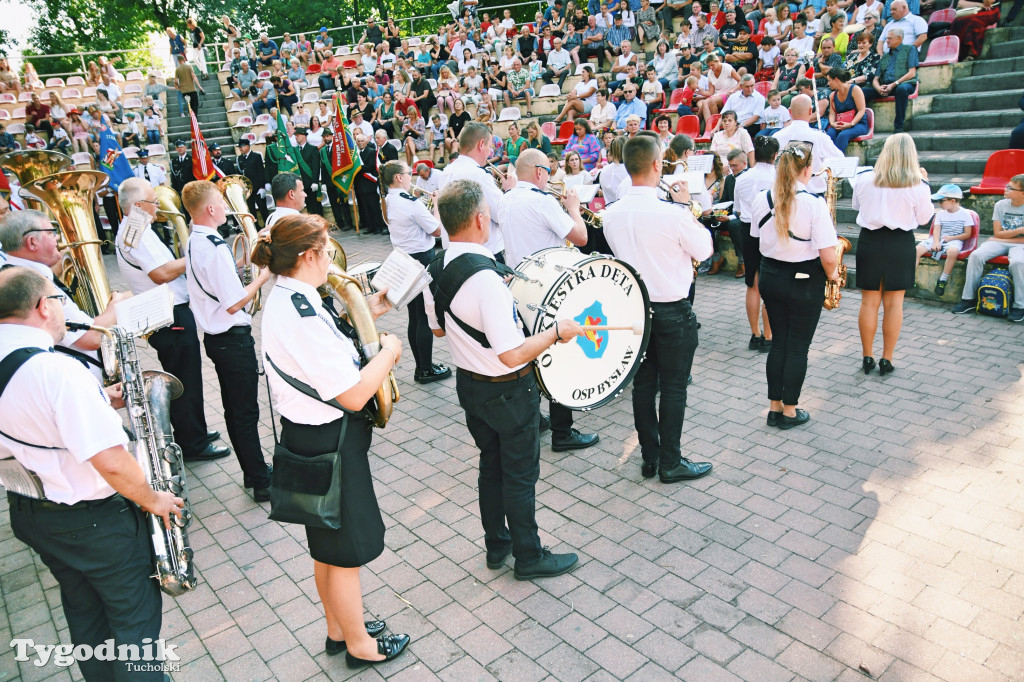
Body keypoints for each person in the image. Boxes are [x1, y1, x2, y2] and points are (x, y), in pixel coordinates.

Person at [0, 266, 183, 682]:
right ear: (43, 307)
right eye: (60, 300)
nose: (64, 309)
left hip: (33, 512)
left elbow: (25, 415)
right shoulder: (58, 371)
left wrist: (98, 399)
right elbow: (112, 461)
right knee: (136, 634)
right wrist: (153, 500)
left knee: (86, 619)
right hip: (95, 520)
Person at [252, 213, 411, 668]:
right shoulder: (298, 309)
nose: (331, 259)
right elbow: (354, 392)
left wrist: (366, 316)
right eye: (326, 250)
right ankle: (360, 646)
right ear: (307, 256)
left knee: (326, 546)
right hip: (330, 438)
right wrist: (389, 352)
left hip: (312, 436)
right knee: (344, 553)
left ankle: (340, 629)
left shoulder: (292, 297)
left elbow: (326, 349)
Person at [425, 178, 583, 579]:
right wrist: (555, 333)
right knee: (519, 474)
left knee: (490, 466)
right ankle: (529, 556)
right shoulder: (485, 279)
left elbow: (439, 330)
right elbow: (512, 355)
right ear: (480, 219)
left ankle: (498, 545)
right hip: (508, 391)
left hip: (470, 386)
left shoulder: (435, 267)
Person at [602, 135, 715, 483]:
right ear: (655, 165)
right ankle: (670, 461)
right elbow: (705, 250)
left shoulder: (611, 212)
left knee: (643, 386)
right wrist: (684, 206)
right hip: (671, 310)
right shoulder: (672, 212)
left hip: (634, 309)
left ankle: (650, 457)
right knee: (675, 387)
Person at [114, 178, 229, 462]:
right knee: (185, 379)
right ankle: (193, 444)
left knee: (188, 376)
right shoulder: (135, 230)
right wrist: (194, 254)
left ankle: (194, 432)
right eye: (154, 202)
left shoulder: (138, 228)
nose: (158, 207)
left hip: (170, 312)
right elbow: (161, 273)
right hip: (169, 315)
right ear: (138, 206)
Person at [182, 180, 273, 500]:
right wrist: (264, 274)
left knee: (236, 411)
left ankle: (254, 472)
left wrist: (245, 260)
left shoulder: (195, 239)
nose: (225, 206)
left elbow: (217, 280)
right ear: (210, 209)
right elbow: (235, 302)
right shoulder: (215, 247)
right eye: (221, 201)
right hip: (232, 339)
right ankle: (261, 480)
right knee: (245, 412)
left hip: (218, 339)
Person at [749, 141, 839, 429]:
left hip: (771, 276)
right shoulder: (814, 203)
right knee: (798, 347)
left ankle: (774, 407)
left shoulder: (761, 198)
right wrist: (835, 276)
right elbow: (827, 255)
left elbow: (756, 238)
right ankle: (790, 411)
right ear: (808, 170)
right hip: (804, 280)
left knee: (778, 344)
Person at [0, 210, 126, 381]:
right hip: (73, 381)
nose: (58, 239)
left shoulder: (12, 276)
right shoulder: (31, 283)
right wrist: (117, 304)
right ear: (32, 242)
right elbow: (91, 337)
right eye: (52, 233)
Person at [853, 133, 933, 375]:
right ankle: (886, 359)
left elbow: (858, 207)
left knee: (869, 302)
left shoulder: (864, 178)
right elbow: (924, 219)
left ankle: (868, 356)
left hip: (870, 240)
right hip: (900, 243)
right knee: (894, 303)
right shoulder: (918, 184)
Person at [381, 161, 452, 383]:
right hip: (421, 258)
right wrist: (437, 204)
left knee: (415, 315)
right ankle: (425, 369)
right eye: (407, 174)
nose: (411, 177)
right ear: (398, 178)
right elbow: (437, 229)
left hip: (404, 258)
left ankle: (422, 366)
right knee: (422, 316)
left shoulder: (389, 199)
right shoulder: (410, 202)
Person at [439, 122, 516, 260]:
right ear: (481, 144)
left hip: (455, 252)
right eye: (489, 146)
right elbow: (502, 214)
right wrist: (509, 190)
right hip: (485, 253)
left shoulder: (446, 171)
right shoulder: (479, 174)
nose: (490, 152)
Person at [953, 174, 1024, 322]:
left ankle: (1020, 306)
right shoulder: (1001, 205)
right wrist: (1019, 230)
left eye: (1010, 188)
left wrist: (1006, 236)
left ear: (1022, 193)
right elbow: (997, 232)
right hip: (1001, 240)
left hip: (1020, 244)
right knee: (976, 255)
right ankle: (969, 299)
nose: (1006, 189)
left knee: (1018, 262)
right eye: (1007, 185)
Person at [733, 135, 778, 352]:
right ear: (775, 156)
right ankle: (769, 336)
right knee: (770, 285)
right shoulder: (779, 177)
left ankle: (755, 334)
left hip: (748, 229)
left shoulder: (742, 178)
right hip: (771, 230)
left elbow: (738, 209)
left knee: (753, 284)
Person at [772, 94, 843, 195]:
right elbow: (839, 159)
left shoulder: (777, 137)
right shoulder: (820, 137)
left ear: (789, 112)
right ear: (811, 111)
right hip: (814, 193)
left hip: (784, 194)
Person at [915, 184, 973, 297]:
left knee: (953, 252)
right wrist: (936, 242)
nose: (939, 204)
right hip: (939, 238)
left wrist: (952, 238)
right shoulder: (940, 214)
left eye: (941, 201)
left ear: (952, 201)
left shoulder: (965, 214)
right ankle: (910, 277)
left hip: (955, 239)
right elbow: (936, 229)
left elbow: (967, 234)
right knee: (916, 250)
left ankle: (942, 280)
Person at [863, 28, 918, 133]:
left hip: (904, 84)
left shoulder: (910, 49)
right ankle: (863, 124)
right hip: (886, 86)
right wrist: (878, 88)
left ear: (899, 38)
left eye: (889, 38)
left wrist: (894, 84)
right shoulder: (885, 56)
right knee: (862, 91)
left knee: (901, 89)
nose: (886, 41)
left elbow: (912, 73)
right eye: (887, 38)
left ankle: (899, 127)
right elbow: (875, 79)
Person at [824, 68, 868, 153]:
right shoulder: (832, 95)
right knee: (830, 134)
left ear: (836, 79)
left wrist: (851, 124)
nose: (828, 83)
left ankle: (839, 161)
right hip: (841, 124)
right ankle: (828, 159)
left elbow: (861, 110)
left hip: (858, 124)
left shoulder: (855, 89)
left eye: (829, 81)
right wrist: (833, 124)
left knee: (843, 135)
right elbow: (832, 114)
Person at [353, 130, 387, 234]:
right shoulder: (355, 154)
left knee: (374, 207)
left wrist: (359, 167)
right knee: (365, 207)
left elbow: (371, 166)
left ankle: (378, 227)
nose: (360, 143)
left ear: (366, 141)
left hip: (370, 183)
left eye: (362, 140)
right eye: (358, 141)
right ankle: (370, 227)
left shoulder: (372, 151)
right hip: (360, 184)